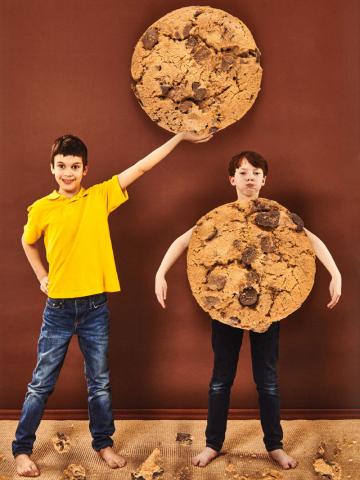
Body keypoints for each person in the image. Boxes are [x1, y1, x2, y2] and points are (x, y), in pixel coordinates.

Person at [13, 131, 212, 477]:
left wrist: (179, 137)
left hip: (94, 309)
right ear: (52, 168)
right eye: (61, 166)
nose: (68, 172)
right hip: (58, 310)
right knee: (41, 383)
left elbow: (142, 168)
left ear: (86, 169)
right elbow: (27, 242)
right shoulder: (42, 209)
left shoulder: (100, 197)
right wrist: (41, 277)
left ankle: (103, 443)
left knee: (99, 382)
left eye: (75, 166)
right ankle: (21, 450)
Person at [155, 151, 342, 470]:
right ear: (232, 179)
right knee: (220, 380)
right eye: (243, 173)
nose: (250, 177)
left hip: (268, 309)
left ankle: (275, 446)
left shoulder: (277, 216)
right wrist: (160, 272)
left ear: (265, 179)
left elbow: (311, 240)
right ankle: (213, 443)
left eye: (256, 172)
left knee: (267, 380)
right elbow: (184, 240)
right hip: (226, 308)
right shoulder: (219, 217)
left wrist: (335, 273)